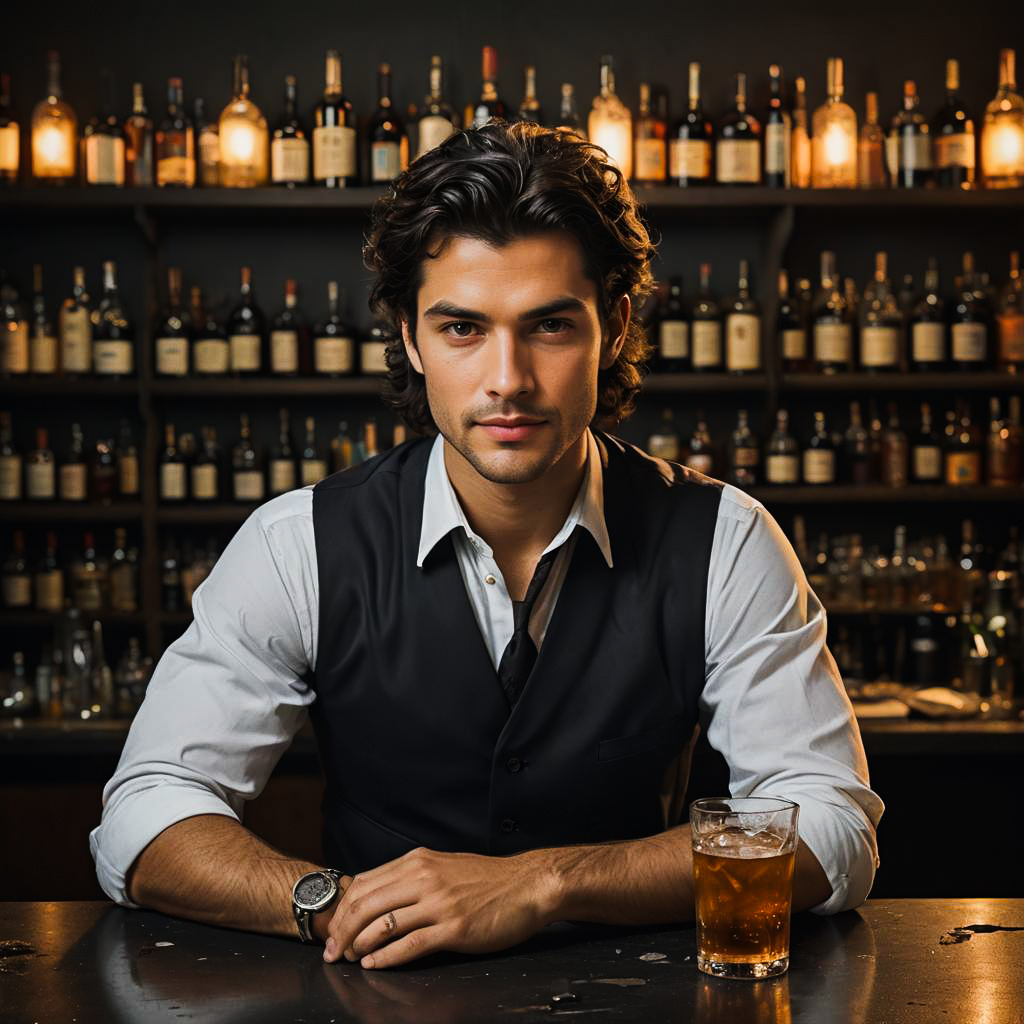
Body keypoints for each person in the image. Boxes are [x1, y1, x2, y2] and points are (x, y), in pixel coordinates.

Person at [90, 121, 883, 970]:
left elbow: (831, 833)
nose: (507, 378)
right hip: (376, 989)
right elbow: (145, 815)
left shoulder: (726, 539)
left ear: (613, 327)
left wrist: (544, 882)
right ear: (410, 337)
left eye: (549, 326)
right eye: (463, 329)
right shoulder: (297, 545)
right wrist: (335, 905)